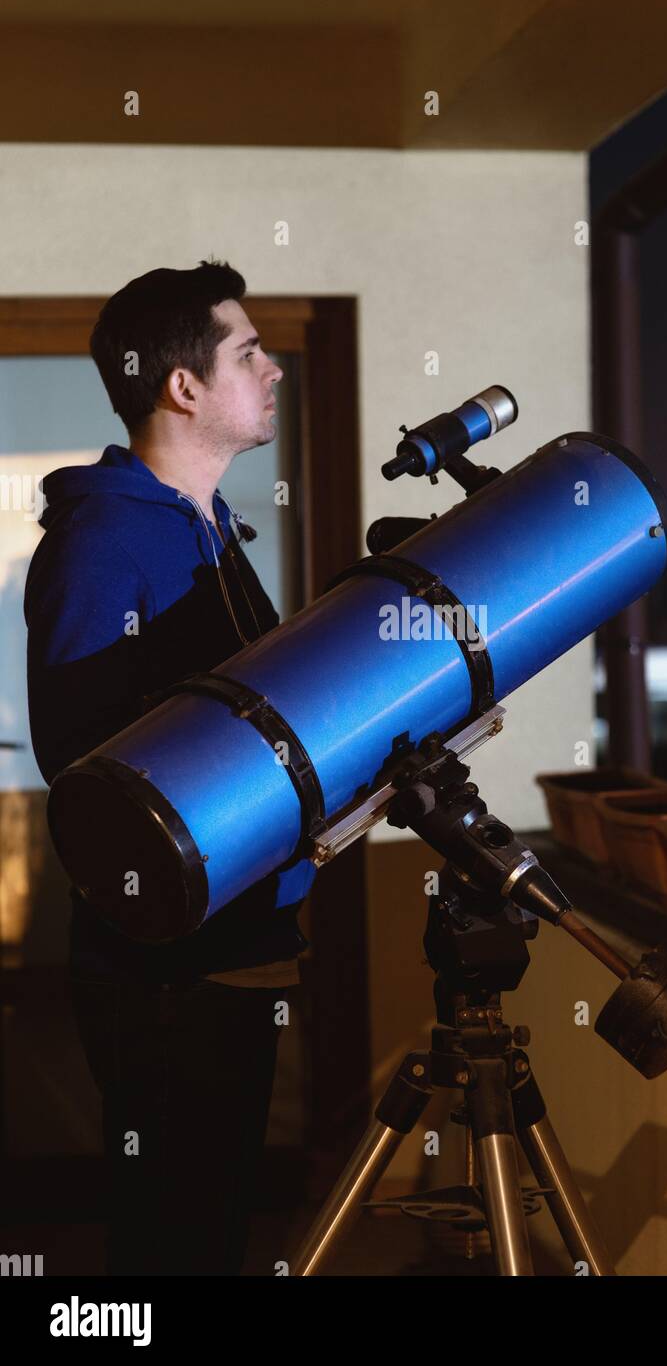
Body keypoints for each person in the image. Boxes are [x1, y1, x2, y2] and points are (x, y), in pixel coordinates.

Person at [24, 260, 314, 1275]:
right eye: (247, 351)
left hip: (240, 946)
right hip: (167, 972)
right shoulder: (104, 540)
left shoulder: (207, 533)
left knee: (215, 1227)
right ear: (182, 385)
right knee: (175, 1241)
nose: (272, 369)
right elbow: (87, 768)